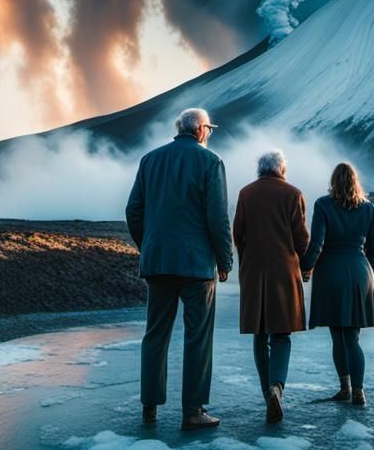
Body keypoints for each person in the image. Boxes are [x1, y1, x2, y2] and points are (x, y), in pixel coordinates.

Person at [125, 107, 233, 431]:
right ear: (200, 130)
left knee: (155, 333)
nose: (209, 134)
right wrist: (225, 261)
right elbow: (217, 218)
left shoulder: (150, 160)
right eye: (209, 129)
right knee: (197, 336)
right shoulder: (210, 162)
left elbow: (133, 210)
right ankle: (193, 410)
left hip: (157, 263)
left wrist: (148, 246)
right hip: (197, 266)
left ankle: (149, 407)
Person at [233, 149, 310, 424]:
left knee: (259, 333)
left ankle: (267, 394)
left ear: (260, 169)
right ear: (281, 169)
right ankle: (277, 387)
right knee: (281, 334)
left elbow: (237, 234)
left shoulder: (246, 193)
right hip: (284, 272)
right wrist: (306, 266)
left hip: (253, 271)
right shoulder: (293, 194)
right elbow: (301, 238)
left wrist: (246, 258)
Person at [301, 162, 374, 406]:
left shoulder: (323, 205)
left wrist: (304, 268)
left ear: (334, 181)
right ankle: (358, 391)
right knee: (352, 338)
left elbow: (317, 244)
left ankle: (345, 388)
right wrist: (369, 274)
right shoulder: (368, 208)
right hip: (360, 271)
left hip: (331, 273)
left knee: (338, 335)